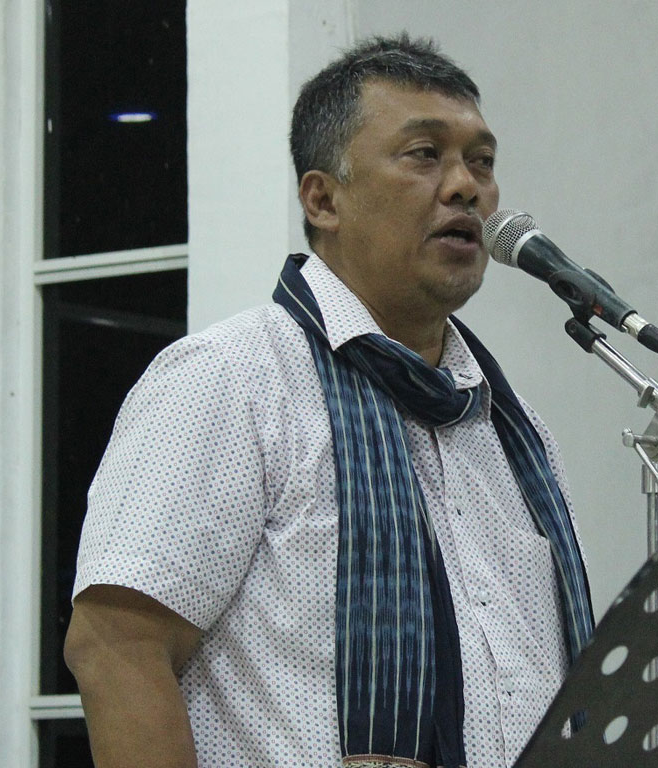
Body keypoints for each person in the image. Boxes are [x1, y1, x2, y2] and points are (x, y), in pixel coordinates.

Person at [65, 34, 593, 768]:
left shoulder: (511, 428)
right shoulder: (229, 377)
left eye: (481, 161)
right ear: (323, 198)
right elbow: (117, 643)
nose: (466, 187)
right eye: (424, 154)